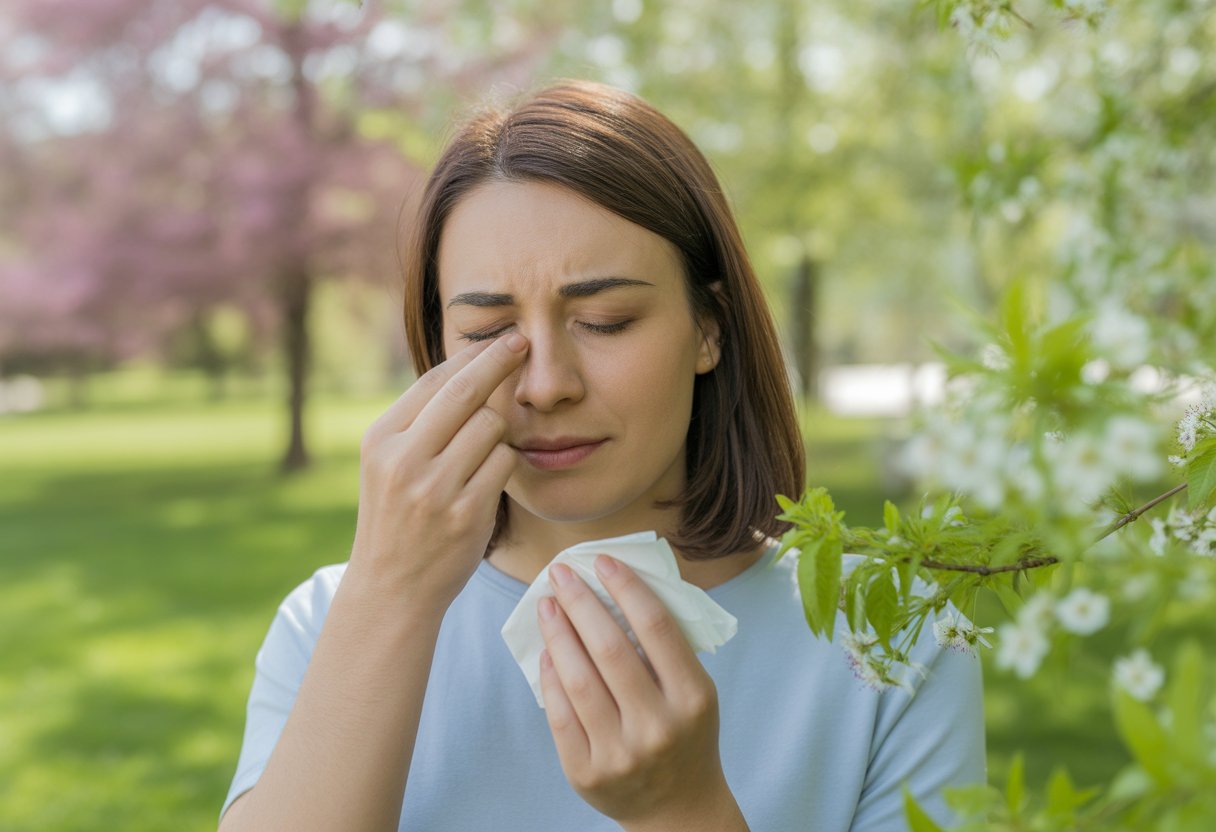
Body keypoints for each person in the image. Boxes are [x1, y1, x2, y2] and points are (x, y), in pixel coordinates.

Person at [217, 79, 985, 832]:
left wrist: (683, 813)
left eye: (608, 320)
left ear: (708, 329)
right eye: (486, 333)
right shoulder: (330, 623)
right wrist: (389, 595)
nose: (546, 386)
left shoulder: (893, 640)